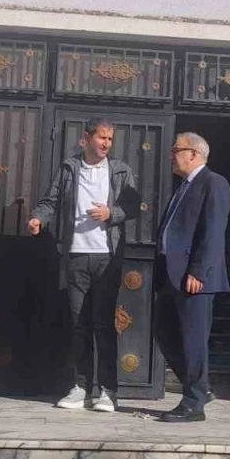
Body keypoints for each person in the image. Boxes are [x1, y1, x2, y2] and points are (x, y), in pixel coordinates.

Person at [29, 117, 139, 412]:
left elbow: (132, 205)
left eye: (110, 139)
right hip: (76, 255)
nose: (106, 144)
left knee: (103, 324)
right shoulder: (69, 168)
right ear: (86, 138)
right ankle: (80, 387)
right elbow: (50, 201)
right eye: (102, 137)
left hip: (107, 257)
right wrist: (38, 218)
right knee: (79, 324)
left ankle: (108, 391)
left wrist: (111, 213)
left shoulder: (120, 170)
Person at [154, 132, 230, 422]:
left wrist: (198, 270)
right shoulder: (185, 186)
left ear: (193, 154)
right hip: (171, 274)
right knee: (164, 331)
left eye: (176, 149)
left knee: (193, 339)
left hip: (194, 277)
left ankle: (193, 403)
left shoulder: (213, 183)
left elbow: (213, 231)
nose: (171, 155)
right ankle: (200, 387)